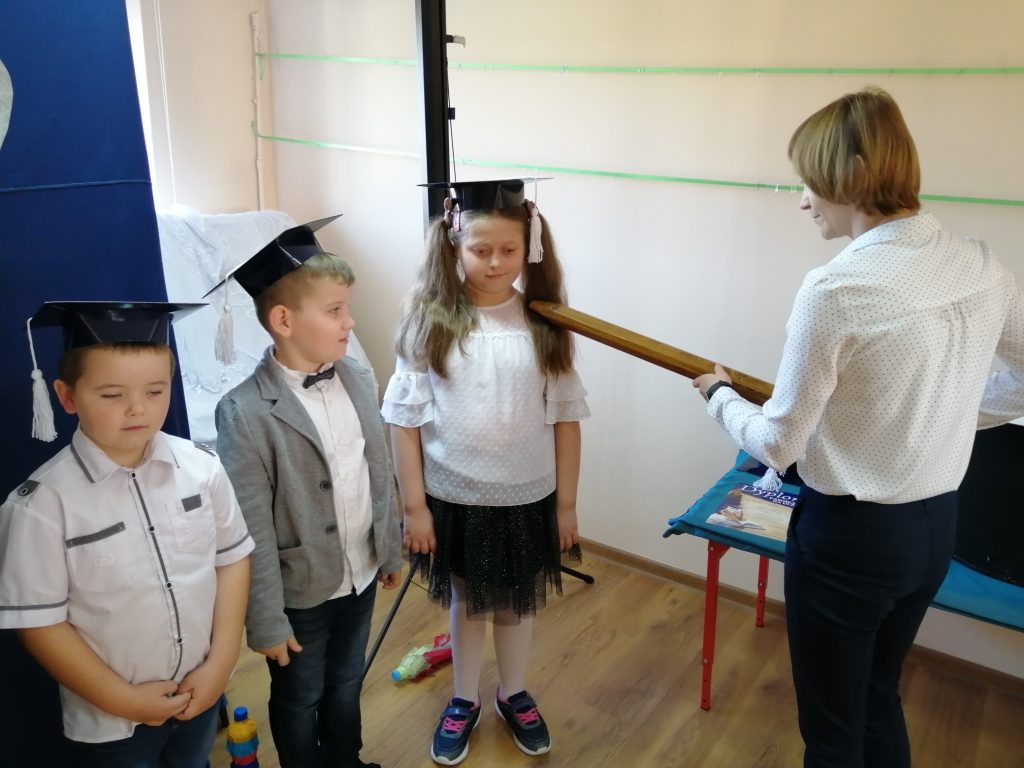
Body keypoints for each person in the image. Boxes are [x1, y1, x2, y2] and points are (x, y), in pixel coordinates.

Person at [692, 88, 1024, 768]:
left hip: (850, 542)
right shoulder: (980, 263)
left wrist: (720, 396)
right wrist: (949, 407)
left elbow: (778, 444)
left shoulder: (837, 290)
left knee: (832, 732)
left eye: (809, 182)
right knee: (876, 697)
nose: (803, 200)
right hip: (936, 531)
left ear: (851, 175)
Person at [383, 178, 590, 765]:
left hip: (528, 495)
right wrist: (414, 507)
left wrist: (566, 505)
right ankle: (463, 698)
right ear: (455, 245)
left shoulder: (544, 323)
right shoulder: (429, 321)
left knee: (516, 603)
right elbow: (404, 420)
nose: (495, 262)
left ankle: (513, 692)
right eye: (481, 250)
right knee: (469, 602)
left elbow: (566, 420)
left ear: (531, 246)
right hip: (455, 496)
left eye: (508, 249)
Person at [0, 301, 254, 768]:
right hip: (112, 719)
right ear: (67, 397)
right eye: (112, 394)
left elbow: (231, 559)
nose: (138, 408)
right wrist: (122, 699)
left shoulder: (202, 469)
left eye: (156, 391)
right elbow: (39, 622)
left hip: (199, 689)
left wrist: (222, 660)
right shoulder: (41, 506)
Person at [212, 217, 403, 768]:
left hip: (360, 572)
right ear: (283, 320)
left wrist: (388, 549)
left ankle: (345, 759)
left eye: (348, 308)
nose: (350, 322)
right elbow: (250, 528)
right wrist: (266, 618)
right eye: (335, 310)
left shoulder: (359, 378)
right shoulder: (244, 413)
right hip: (300, 592)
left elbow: (378, 473)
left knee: (347, 679)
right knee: (301, 694)